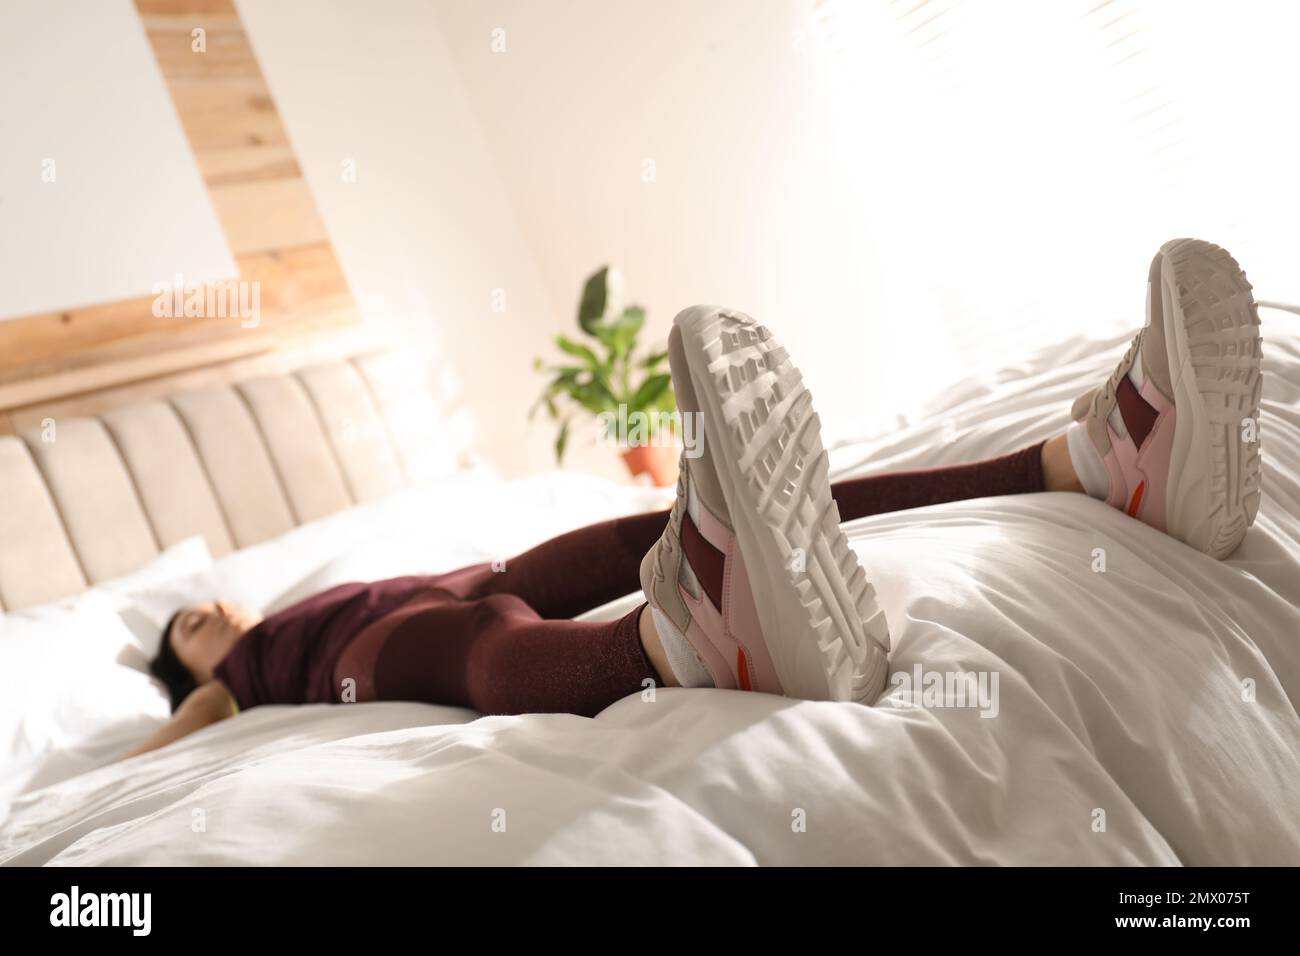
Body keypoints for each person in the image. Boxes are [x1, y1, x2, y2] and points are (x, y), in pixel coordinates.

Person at [124, 237, 1264, 760]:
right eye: (188, 625)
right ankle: (679, 643)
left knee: (645, 526)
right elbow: (186, 724)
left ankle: (1095, 462)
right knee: (483, 642)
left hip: (473, 567)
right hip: (381, 648)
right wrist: (145, 738)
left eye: (205, 606)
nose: (211, 611)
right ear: (192, 657)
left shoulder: (292, 595)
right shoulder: (249, 670)